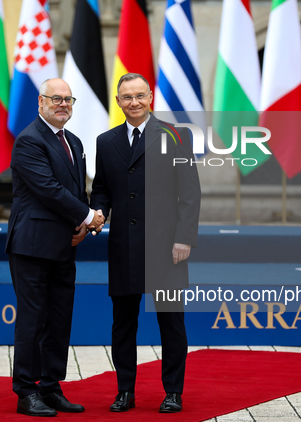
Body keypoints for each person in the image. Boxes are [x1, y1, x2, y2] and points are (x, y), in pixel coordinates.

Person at [91, 73, 201, 413]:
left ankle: (173, 392)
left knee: (171, 322)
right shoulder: (106, 142)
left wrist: (184, 239)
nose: (134, 102)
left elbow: (190, 193)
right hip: (124, 248)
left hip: (168, 250)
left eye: (140, 95)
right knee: (123, 324)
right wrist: (97, 214)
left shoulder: (176, 135)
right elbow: (102, 191)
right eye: (127, 97)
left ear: (150, 97)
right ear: (118, 101)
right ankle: (125, 391)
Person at [5, 78, 104, 417]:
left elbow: (77, 192)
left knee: (60, 320)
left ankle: (50, 387)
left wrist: (82, 222)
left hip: (65, 244)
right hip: (32, 246)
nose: (63, 104)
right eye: (56, 99)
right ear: (40, 102)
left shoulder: (73, 141)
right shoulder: (29, 141)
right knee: (33, 320)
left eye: (68, 99)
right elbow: (47, 189)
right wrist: (89, 216)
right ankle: (26, 391)